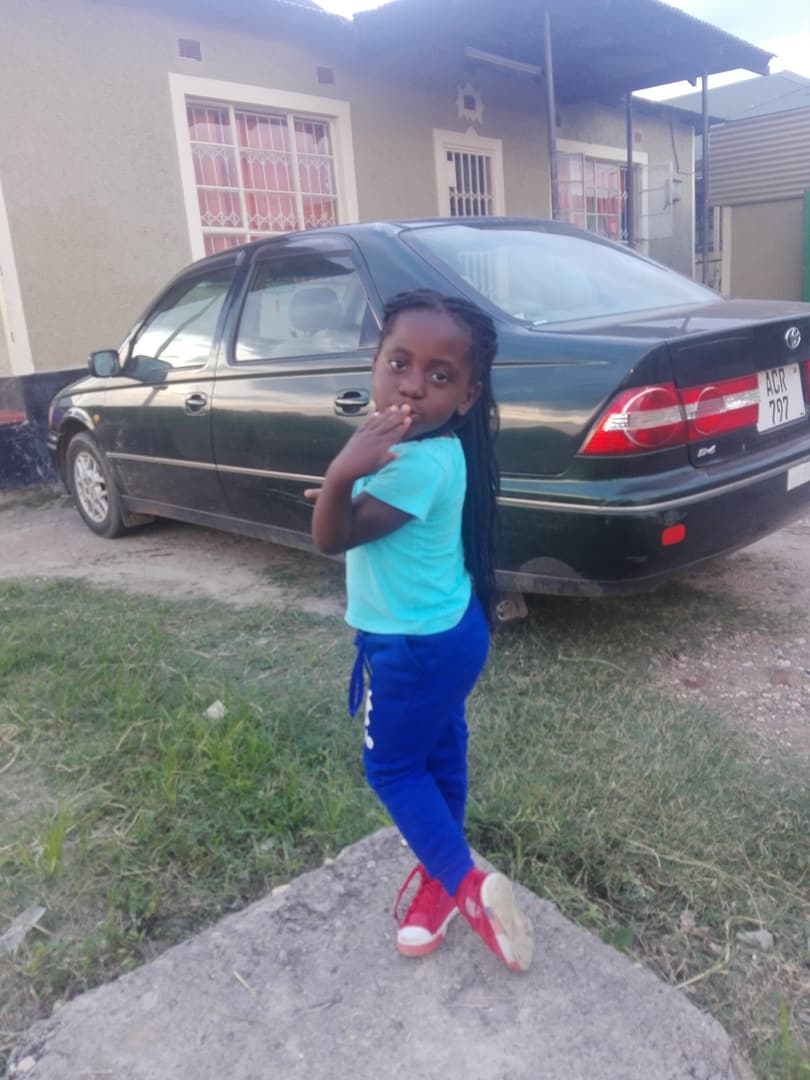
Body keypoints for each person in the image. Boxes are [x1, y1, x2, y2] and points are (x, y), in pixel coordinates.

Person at [305, 288, 533, 973]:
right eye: (399, 363)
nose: (411, 385)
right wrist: (349, 492)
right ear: (373, 361)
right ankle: (442, 882)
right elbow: (367, 518)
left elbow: (331, 539)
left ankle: (466, 887)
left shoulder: (412, 463)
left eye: (439, 375)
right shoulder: (442, 454)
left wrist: (341, 476)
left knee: (392, 767)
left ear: (467, 396)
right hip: (453, 635)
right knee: (439, 752)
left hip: (410, 649)